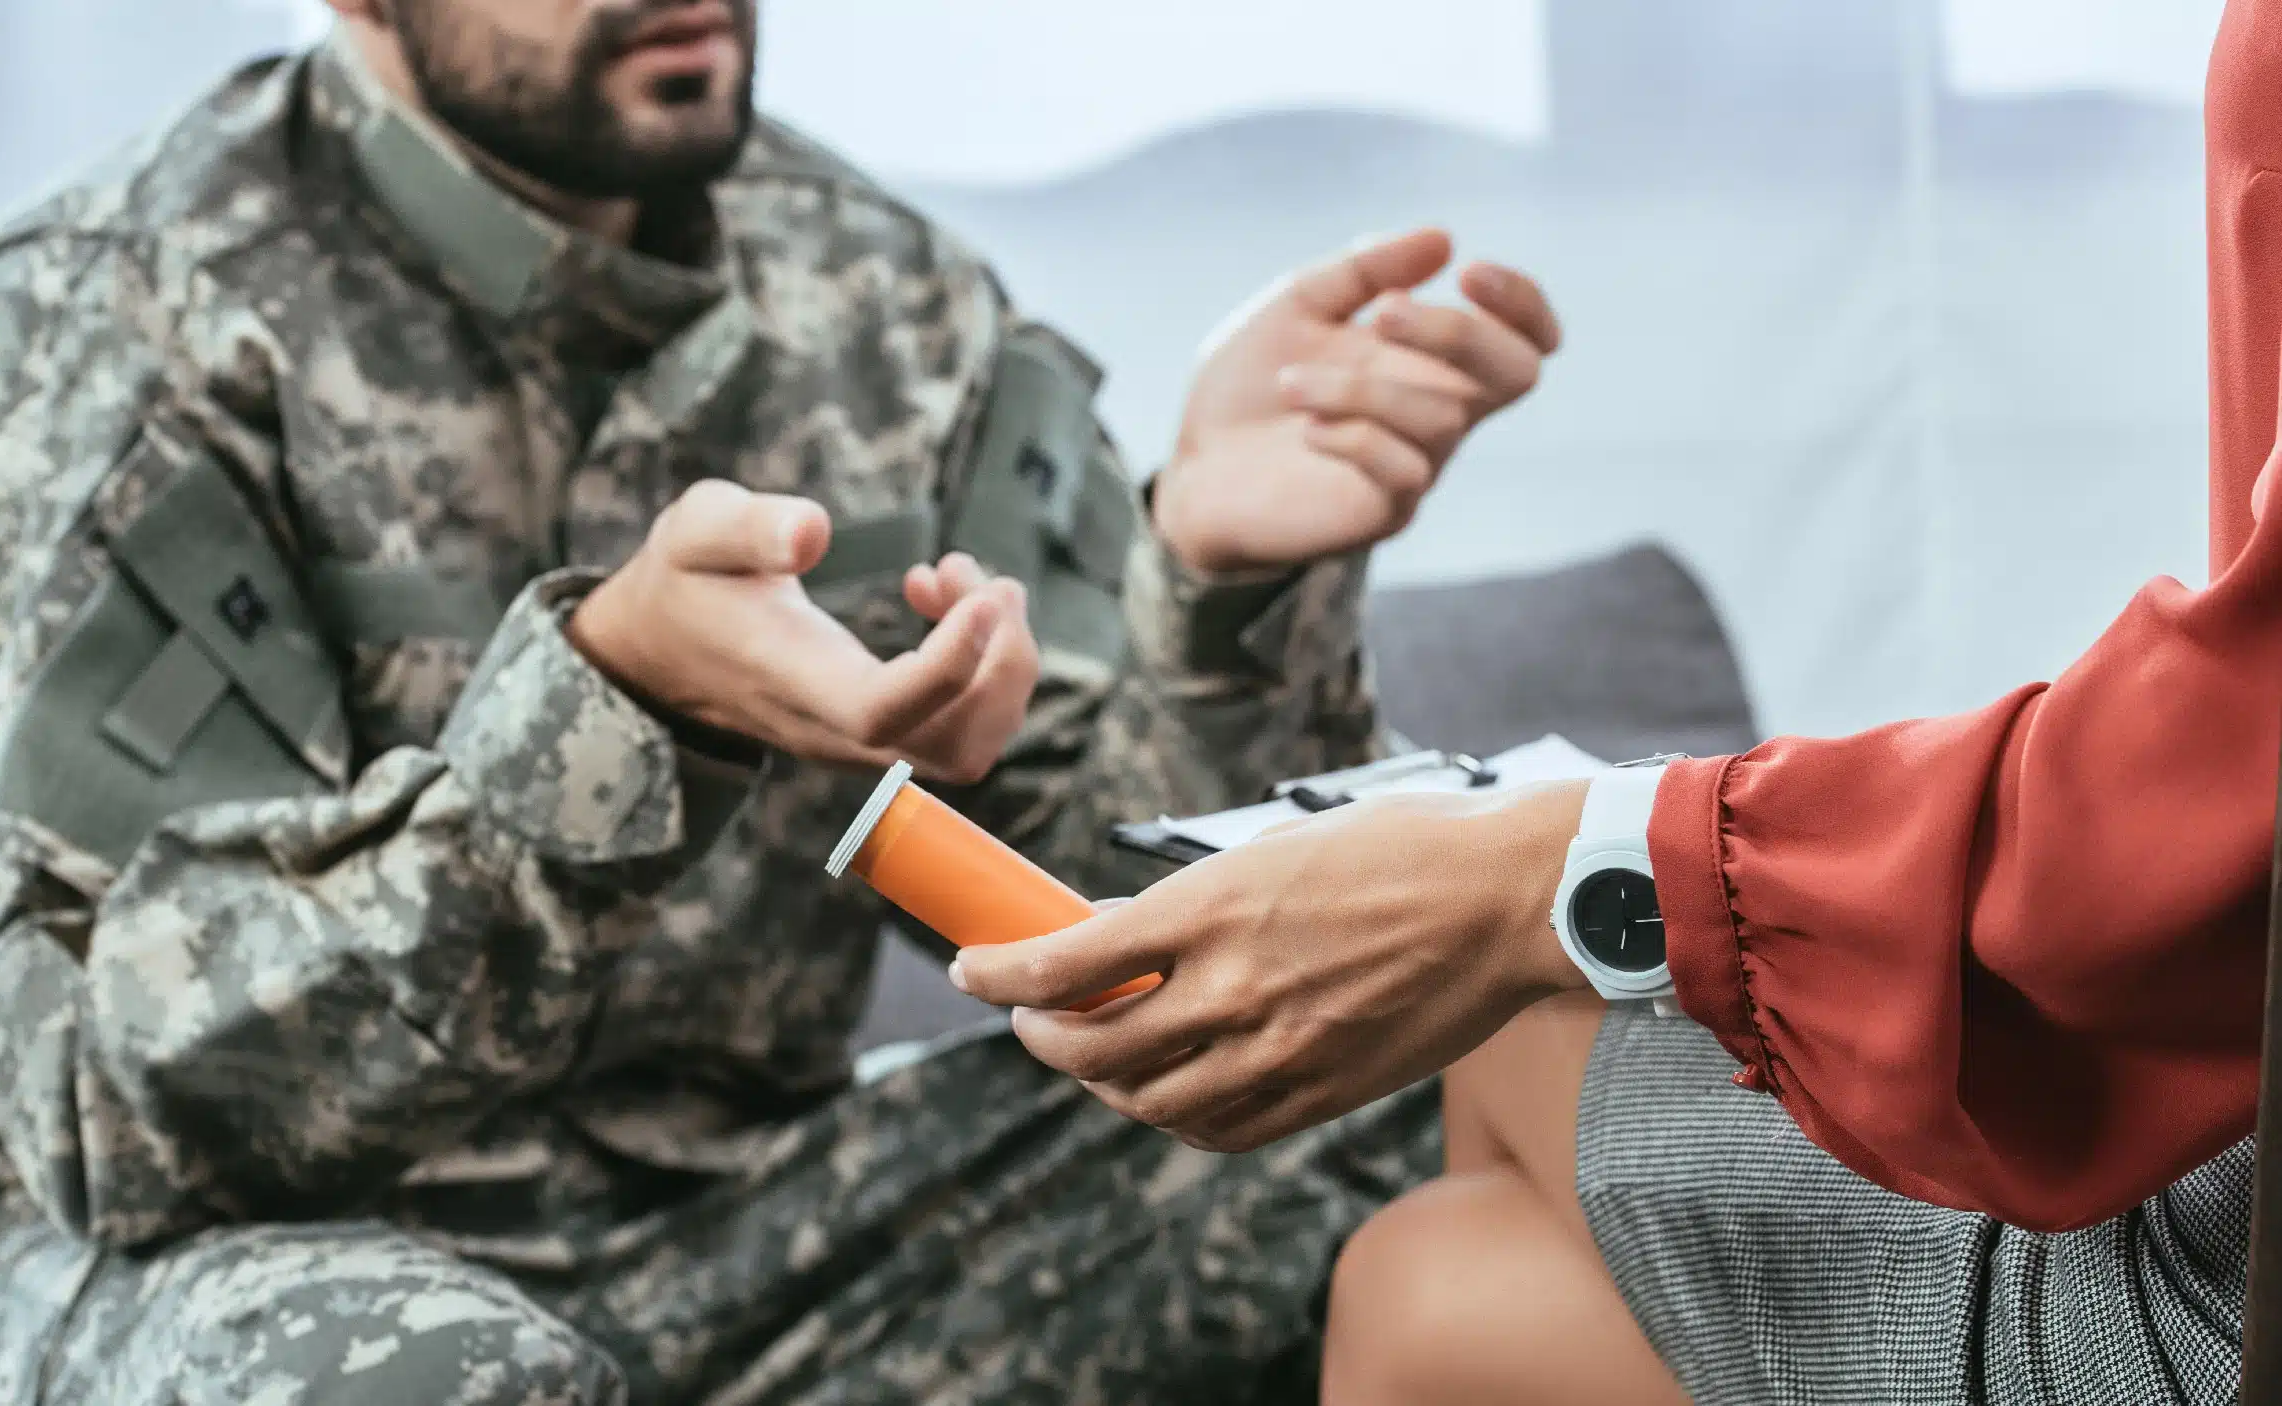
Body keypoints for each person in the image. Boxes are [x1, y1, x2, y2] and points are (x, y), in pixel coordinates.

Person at [0, 1, 1568, 1402]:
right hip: (107, 1278)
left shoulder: (885, 298)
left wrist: (1223, 577)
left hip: (724, 1242)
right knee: (429, 1371)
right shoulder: (90, 335)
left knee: (1406, 1084)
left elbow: (1136, 941)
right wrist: (609, 728)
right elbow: (116, 1113)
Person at [950, 1, 2282, 1400]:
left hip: (2226, 1260)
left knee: (1503, 1037)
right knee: (1426, 1293)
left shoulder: (916, 314)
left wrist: (1580, 863)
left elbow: (2232, 741)